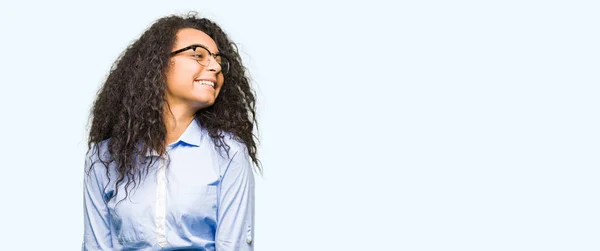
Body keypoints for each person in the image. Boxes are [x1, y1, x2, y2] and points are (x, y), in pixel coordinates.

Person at [82, 12, 260, 251]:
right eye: (198, 55)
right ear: (158, 64)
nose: (216, 67)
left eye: (219, 60)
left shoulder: (229, 155)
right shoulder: (103, 159)